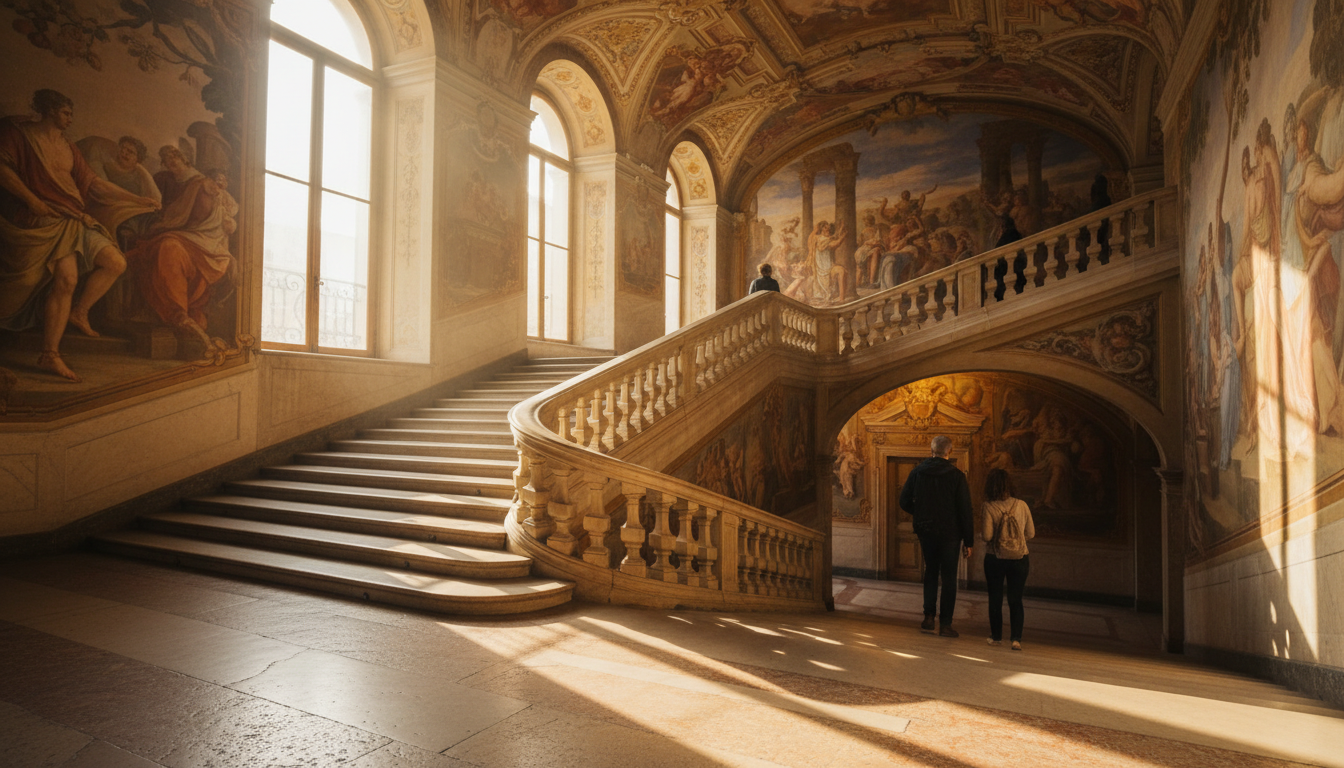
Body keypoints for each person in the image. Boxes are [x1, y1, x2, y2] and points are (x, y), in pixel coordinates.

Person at [0, 89, 160, 382]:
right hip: (42, 218)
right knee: (66, 279)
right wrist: (33, 201)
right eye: (65, 112)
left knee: (116, 263)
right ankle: (50, 355)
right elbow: (3, 170)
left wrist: (139, 200)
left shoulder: (68, 147)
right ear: (47, 110)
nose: (70, 119)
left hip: (74, 219)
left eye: (71, 113)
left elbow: (96, 185)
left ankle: (80, 311)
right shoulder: (19, 135)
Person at [899, 435, 973, 638]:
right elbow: (965, 509)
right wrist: (969, 541)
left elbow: (904, 501)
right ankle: (946, 624)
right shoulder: (957, 476)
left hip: (926, 529)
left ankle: (929, 617)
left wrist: (921, 512)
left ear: (931, 450)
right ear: (949, 451)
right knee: (949, 576)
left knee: (931, 571)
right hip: (950, 532)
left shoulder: (918, 472)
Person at [981, 468, 1035, 651]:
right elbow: (1031, 533)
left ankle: (996, 637)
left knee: (995, 597)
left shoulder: (988, 506)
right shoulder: (1022, 505)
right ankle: (1016, 639)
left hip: (995, 558)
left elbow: (987, 536)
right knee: (1016, 599)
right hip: (1020, 558)